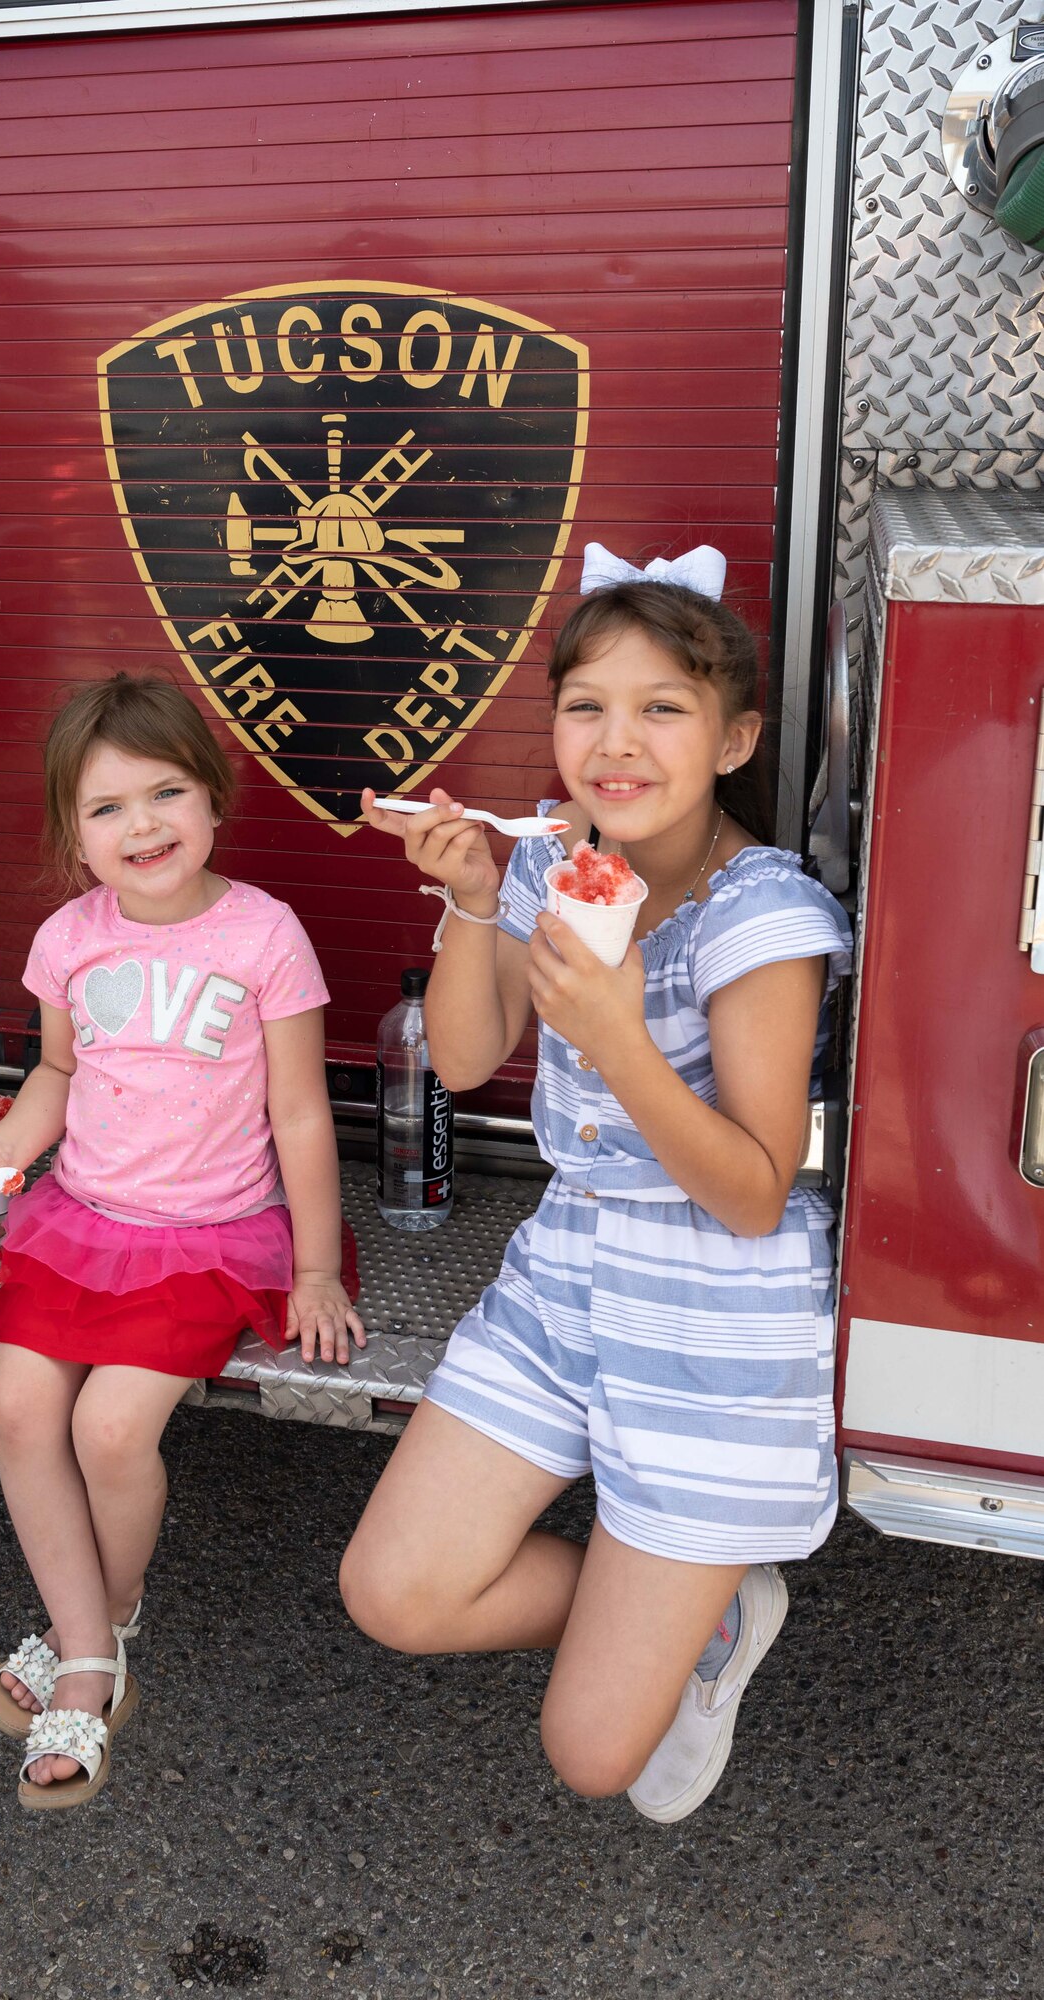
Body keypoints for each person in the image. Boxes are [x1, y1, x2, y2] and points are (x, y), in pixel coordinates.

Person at [341, 543, 851, 1823]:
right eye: (584, 706)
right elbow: (461, 1059)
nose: (614, 742)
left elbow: (749, 1189)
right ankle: (695, 1598)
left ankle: (680, 1605)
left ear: (733, 738)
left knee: (589, 1753)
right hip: (570, 1261)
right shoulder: (553, 862)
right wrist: (470, 899)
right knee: (392, 1593)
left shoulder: (760, 916)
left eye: (660, 708)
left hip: (716, 1307)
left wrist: (618, 1037)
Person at [0, 673, 363, 1810]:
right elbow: (57, 1077)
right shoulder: (70, 935)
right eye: (107, 807)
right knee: (20, 1406)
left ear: (214, 798)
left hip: (213, 1238)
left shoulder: (263, 933)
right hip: (84, 1222)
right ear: (73, 831)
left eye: (166, 792)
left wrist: (314, 1265)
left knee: (112, 1427)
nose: (143, 826)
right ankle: (93, 1637)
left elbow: (299, 1112)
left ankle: (86, 1642)